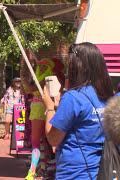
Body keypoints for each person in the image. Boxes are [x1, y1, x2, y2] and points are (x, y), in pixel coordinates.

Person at [42, 42, 113, 179]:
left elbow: (53, 139)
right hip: (102, 171)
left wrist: (50, 107)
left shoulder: (73, 97)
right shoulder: (108, 95)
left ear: (78, 67)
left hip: (74, 173)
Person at [22, 50, 62, 179]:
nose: (41, 68)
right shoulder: (46, 78)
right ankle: (41, 168)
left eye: (44, 66)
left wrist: (24, 76)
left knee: (40, 141)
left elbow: (30, 89)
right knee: (44, 141)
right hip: (42, 108)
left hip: (41, 108)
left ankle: (34, 171)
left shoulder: (47, 78)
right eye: (41, 66)